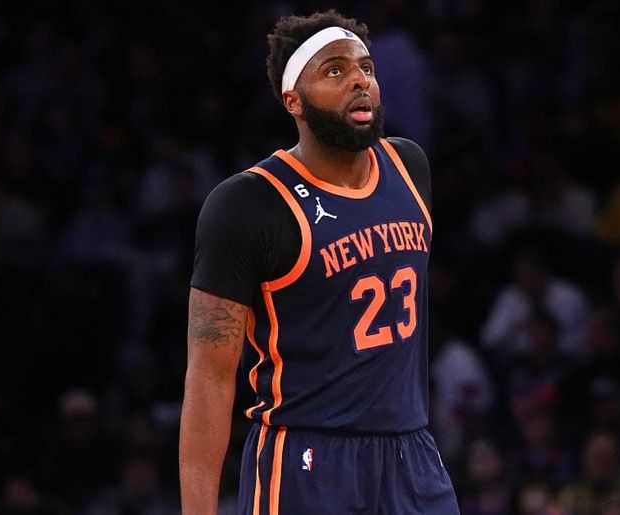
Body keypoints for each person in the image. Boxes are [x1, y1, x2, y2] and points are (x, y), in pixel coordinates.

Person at [179, 10, 458, 515]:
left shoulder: (410, 166)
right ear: (293, 101)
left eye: (366, 67)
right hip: (308, 460)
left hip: (412, 453)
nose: (359, 80)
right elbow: (210, 378)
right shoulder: (248, 204)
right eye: (334, 70)